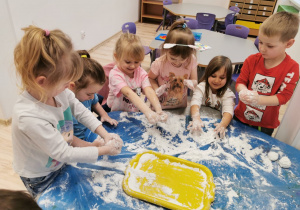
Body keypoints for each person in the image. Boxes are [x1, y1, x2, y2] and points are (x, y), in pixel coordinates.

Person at [12, 26, 123, 198]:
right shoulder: (29, 116)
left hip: (57, 160)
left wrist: (104, 134)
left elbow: (80, 111)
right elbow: (64, 152)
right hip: (39, 175)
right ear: (42, 81)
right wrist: (106, 150)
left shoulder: (59, 92)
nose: (69, 87)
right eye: (65, 83)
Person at [235, 11, 299, 136]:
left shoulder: (292, 68)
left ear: (289, 44)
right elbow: (240, 82)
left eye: (270, 46)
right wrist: (242, 91)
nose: (262, 48)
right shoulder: (252, 60)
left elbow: (283, 97)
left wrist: (259, 99)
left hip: (264, 125)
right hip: (241, 116)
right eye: (260, 42)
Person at [107, 32, 168, 124]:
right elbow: (129, 93)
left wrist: (158, 110)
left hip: (134, 111)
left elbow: (149, 90)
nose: (132, 66)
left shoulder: (140, 72)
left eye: (136, 62)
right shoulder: (115, 74)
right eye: (128, 62)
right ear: (117, 57)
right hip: (117, 114)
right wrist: (148, 112)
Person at [148, 19, 198, 110]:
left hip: (180, 106)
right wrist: (156, 89)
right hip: (160, 106)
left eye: (182, 59)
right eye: (173, 58)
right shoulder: (160, 63)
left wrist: (191, 82)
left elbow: (195, 80)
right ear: (166, 49)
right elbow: (150, 78)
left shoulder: (191, 60)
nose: (177, 62)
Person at [69, 50, 118, 142]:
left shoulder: (87, 93)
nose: (92, 97)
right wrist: (90, 147)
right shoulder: (66, 107)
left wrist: (103, 114)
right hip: (74, 141)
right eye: (89, 94)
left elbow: (95, 103)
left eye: (94, 93)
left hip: (88, 131)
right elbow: (68, 139)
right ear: (73, 87)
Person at [188, 56, 235, 138]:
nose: (217, 81)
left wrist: (223, 124)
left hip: (214, 124)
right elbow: (195, 102)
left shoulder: (227, 94)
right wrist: (196, 118)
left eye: (222, 77)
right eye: (213, 76)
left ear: (227, 79)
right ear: (207, 74)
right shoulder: (201, 87)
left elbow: (228, 111)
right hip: (201, 120)